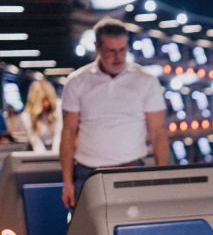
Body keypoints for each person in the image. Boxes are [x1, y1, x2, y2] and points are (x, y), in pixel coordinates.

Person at [60, 17, 169, 208]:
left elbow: (158, 132)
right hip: (89, 172)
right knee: (88, 234)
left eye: (123, 50)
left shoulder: (146, 81)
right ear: (97, 47)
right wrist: (67, 182)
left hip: (132, 170)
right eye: (111, 51)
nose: (118, 57)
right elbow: (68, 132)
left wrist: (163, 178)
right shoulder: (77, 81)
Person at [22, 78, 63, 153]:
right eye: (43, 100)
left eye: (48, 99)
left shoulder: (59, 107)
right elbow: (36, 142)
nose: (46, 104)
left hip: (58, 147)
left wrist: (55, 155)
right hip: (37, 149)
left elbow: (59, 133)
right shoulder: (26, 115)